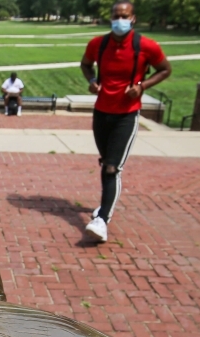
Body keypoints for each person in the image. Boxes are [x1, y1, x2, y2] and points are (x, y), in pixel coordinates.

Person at [78, 0, 171, 242]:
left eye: (125, 15)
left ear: (133, 19)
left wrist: (142, 86)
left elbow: (165, 69)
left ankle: (102, 221)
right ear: (111, 18)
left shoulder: (146, 47)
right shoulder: (98, 44)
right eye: (116, 15)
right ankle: (104, 207)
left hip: (126, 114)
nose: (120, 20)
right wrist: (92, 81)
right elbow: (85, 64)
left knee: (113, 168)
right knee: (105, 162)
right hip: (102, 112)